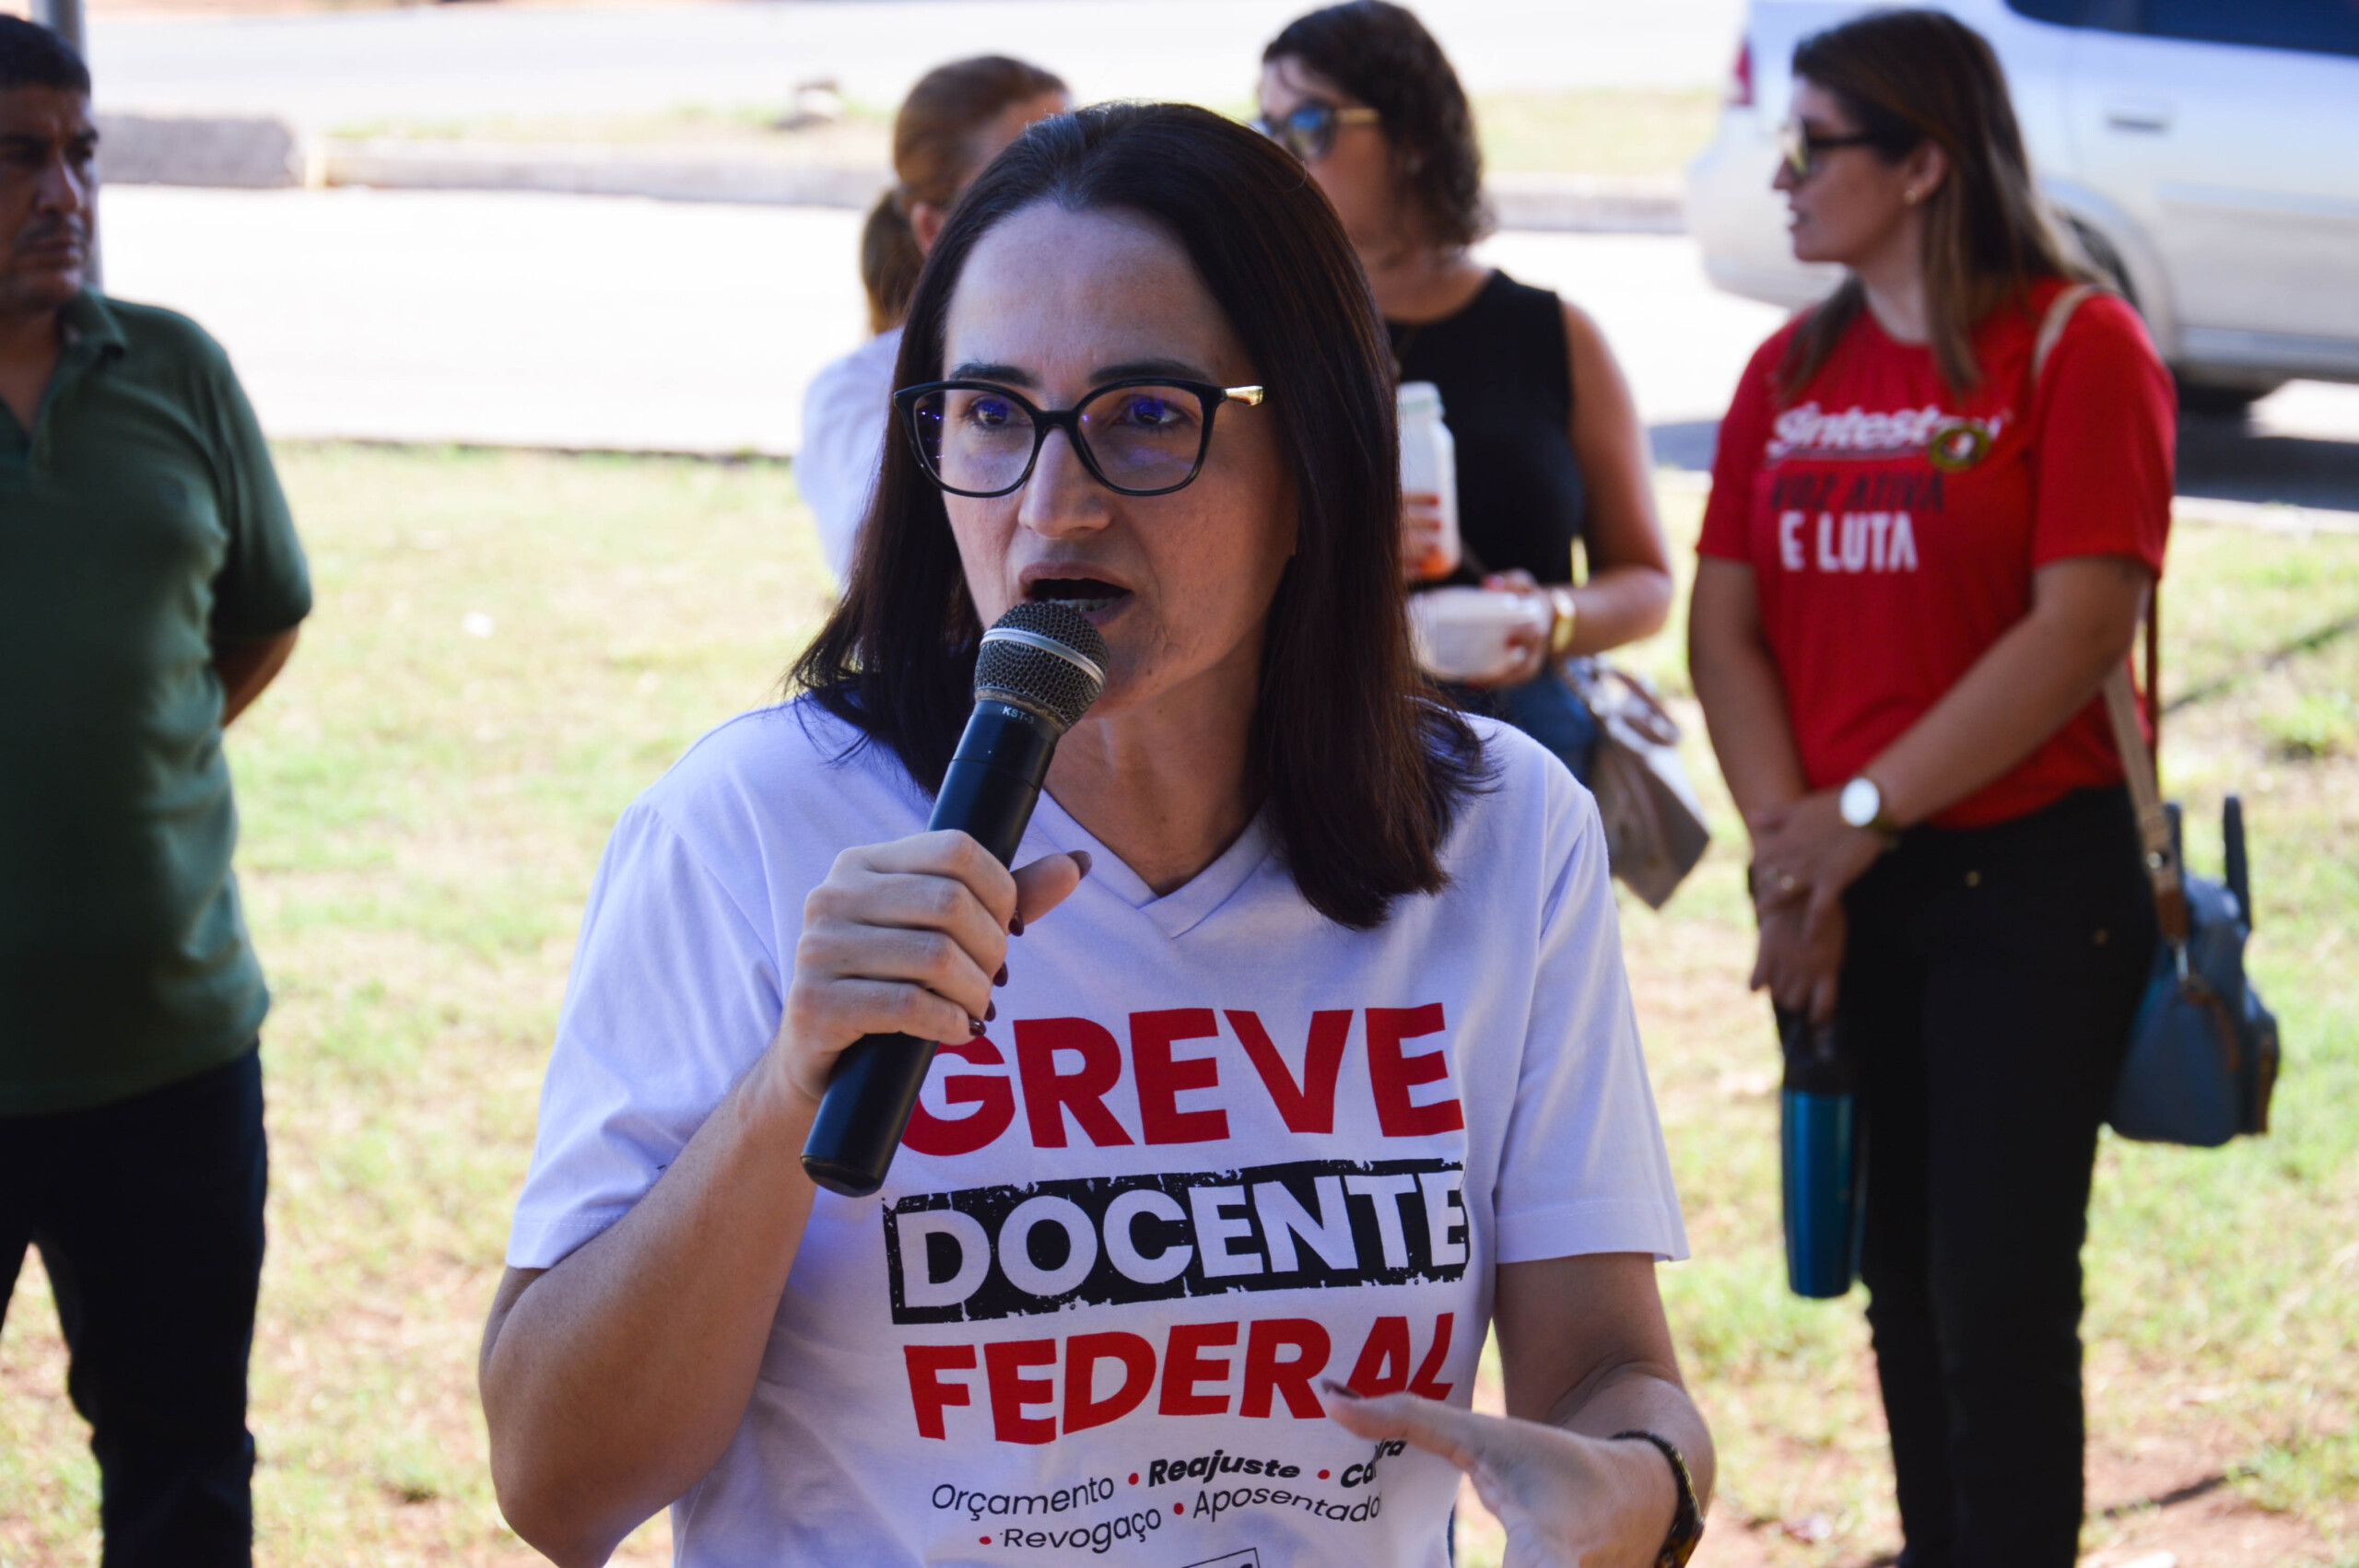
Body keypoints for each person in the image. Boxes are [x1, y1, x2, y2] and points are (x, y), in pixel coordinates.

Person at [482, 102, 1712, 1568]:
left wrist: (1641, 1486)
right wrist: (785, 1090)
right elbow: (557, 1483)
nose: (1052, 507)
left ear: (1316, 456)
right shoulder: (751, 823)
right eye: (993, 413)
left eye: (1145, 416)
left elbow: (1609, 1371)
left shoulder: (1504, 833)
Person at [1686, 11, 2173, 1566]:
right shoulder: (1789, 365)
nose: (1782, 176)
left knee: (1998, 1287)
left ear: (1924, 165)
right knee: (1892, 1268)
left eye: (1813, 144)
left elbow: (2080, 627)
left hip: (2026, 879)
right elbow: (1725, 627)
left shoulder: (2076, 345)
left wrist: (1857, 820)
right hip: (1844, 880)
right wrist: (1798, 863)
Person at [0, 18, 311, 1567]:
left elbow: (257, 620)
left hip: (171, 1054)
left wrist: (131, 743)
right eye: (19, 156)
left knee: (184, 1464)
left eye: (81, 152)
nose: (65, 191)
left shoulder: (176, 367)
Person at [1257, 0, 1672, 781]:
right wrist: (1342, 549)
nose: (1281, 154)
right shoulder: (1265, 334)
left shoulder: (1553, 332)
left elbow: (1646, 583)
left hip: (1530, 744)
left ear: (1413, 138)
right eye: (1266, 127)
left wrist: (1548, 617)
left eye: (1309, 124)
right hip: (1322, 738)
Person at [797, 55, 1067, 583]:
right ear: (934, 230)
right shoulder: (857, 393)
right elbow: (888, 574)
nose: (1073, 202)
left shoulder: (1100, 358)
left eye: (1084, 162)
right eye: (1023, 188)